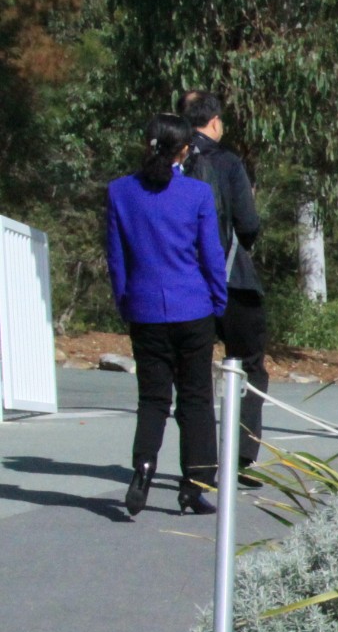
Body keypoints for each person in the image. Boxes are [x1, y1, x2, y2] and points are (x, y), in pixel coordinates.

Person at [105, 113, 226, 517]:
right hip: (192, 307)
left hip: (144, 308)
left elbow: (117, 258)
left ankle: (142, 469)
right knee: (195, 398)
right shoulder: (196, 194)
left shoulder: (120, 192)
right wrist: (218, 301)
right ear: (185, 151)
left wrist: (125, 301)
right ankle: (194, 484)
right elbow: (211, 255)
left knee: (153, 398)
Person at [179, 89, 265, 481]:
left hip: (186, 284)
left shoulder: (174, 163)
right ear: (214, 122)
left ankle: (198, 465)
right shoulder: (229, 163)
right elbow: (247, 224)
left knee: (193, 374)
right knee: (247, 366)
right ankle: (241, 458)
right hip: (234, 282)